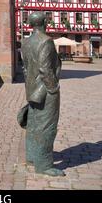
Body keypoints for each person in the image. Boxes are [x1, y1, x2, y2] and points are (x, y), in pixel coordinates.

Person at [19, 12, 65, 176]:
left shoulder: (26, 42)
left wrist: (30, 87)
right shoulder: (46, 41)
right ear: (44, 22)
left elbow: (24, 68)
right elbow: (45, 70)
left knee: (33, 124)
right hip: (45, 90)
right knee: (47, 126)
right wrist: (53, 89)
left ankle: (32, 157)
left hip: (32, 90)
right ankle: (44, 165)